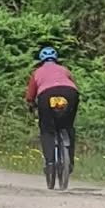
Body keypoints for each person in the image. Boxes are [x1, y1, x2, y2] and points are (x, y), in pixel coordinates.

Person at [25, 46, 80, 179]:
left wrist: (31, 104)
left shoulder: (37, 72)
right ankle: (69, 162)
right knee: (68, 127)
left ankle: (50, 163)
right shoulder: (64, 69)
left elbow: (30, 95)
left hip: (46, 94)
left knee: (47, 130)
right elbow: (74, 85)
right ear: (56, 59)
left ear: (41, 60)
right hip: (70, 93)